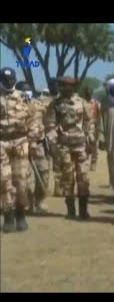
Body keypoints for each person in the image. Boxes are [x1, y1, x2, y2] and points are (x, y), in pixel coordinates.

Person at [44, 77, 95, 220]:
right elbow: (49, 125)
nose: (66, 88)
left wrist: (91, 139)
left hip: (81, 145)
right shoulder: (55, 104)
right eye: (63, 86)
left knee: (83, 177)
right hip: (64, 146)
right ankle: (71, 211)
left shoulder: (83, 103)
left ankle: (83, 211)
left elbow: (89, 123)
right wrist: (53, 143)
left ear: (74, 87)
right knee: (68, 178)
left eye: (69, 86)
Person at [0, 68, 35, 232]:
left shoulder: (24, 98)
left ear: (15, 79)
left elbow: (34, 120)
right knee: (4, 181)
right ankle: (8, 217)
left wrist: (33, 142)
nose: (8, 82)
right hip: (2, 143)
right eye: (5, 79)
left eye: (11, 79)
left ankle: (21, 215)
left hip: (21, 142)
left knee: (21, 181)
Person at [25, 82, 51, 213]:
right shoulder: (10, 106)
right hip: (21, 146)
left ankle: (39, 201)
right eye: (23, 90)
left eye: (28, 90)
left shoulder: (40, 105)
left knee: (44, 172)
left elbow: (48, 121)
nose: (26, 93)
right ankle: (28, 204)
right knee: (24, 177)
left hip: (39, 145)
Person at [41, 78, 63, 197]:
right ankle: (45, 187)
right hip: (45, 135)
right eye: (51, 85)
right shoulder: (43, 101)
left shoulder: (62, 100)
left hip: (61, 135)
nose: (53, 87)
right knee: (45, 162)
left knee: (59, 162)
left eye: (55, 85)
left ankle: (58, 188)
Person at [83, 86, 101, 171]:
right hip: (84, 127)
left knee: (94, 145)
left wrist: (99, 128)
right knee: (85, 146)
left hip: (93, 127)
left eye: (90, 92)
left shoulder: (96, 104)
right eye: (87, 92)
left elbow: (99, 116)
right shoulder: (82, 103)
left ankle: (94, 162)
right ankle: (85, 162)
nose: (88, 93)